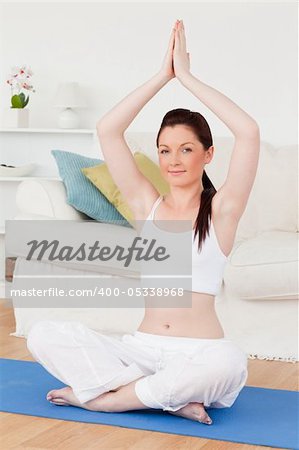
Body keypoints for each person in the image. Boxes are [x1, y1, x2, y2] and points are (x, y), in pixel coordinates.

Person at [27, 19, 260, 424]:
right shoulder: (146, 207)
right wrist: (161, 76)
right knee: (43, 333)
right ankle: (163, 395)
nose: (173, 160)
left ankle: (108, 398)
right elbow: (108, 129)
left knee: (231, 361)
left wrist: (187, 78)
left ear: (207, 155)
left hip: (198, 352)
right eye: (165, 150)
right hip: (140, 352)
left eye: (186, 149)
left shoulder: (221, 211)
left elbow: (249, 133)